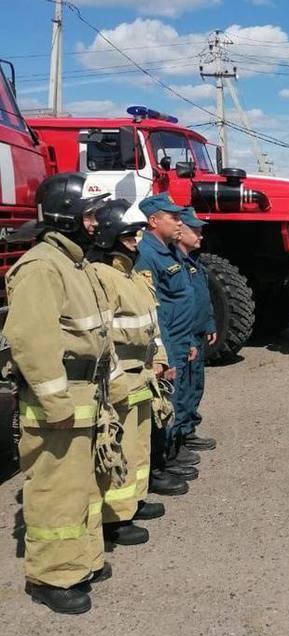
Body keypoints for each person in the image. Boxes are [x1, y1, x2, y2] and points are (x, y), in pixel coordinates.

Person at [4, 174, 113, 614]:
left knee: (80, 486)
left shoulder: (73, 264)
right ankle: (51, 576)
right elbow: (30, 339)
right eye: (88, 214)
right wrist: (54, 402)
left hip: (83, 394)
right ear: (66, 216)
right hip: (60, 402)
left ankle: (80, 561)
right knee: (54, 489)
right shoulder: (42, 267)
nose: (94, 223)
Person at [88, 200, 172, 536]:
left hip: (143, 373)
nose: (136, 242)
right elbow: (101, 335)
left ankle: (133, 501)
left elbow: (152, 323)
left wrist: (160, 359)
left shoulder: (132, 275)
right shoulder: (103, 277)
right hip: (122, 372)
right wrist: (114, 379)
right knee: (118, 445)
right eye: (129, 237)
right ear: (111, 238)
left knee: (138, 444)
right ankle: (114, 517)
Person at [135, 194, 199, 489]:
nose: (179, 222)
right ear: (153, 221)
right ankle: (156, 467)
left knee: (173, 401)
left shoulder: (170, 250)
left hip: (182, 338)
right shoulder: (146, 255)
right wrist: (166, 355)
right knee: (161, 406)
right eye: (172, 217)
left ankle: (167, 456)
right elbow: (154, 311)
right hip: (167, 341)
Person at [177, 207, 218, 452]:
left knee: (194, 386)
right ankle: (176, 440)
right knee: (181, 390)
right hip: (184, 335)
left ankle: (188, 429)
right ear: (180, 231)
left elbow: (202, 296)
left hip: (198, 332)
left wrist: (209, 322)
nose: (201, 235)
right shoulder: (174, 262)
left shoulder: (194, 261)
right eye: (195, 230)